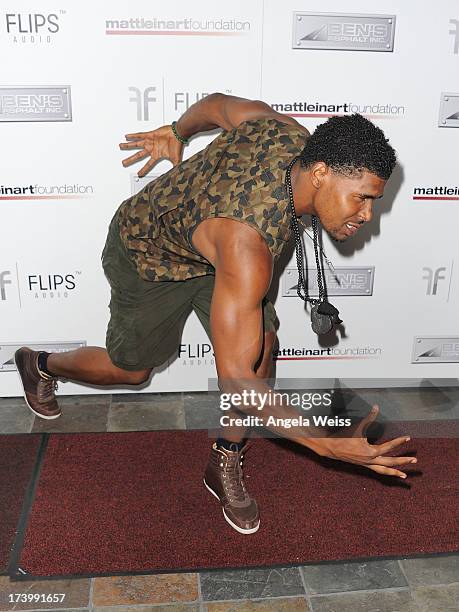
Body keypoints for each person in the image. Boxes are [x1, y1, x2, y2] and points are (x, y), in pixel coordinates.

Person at [15, 93, 416, 535]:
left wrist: (176, 132)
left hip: (214, 250)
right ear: (320, 174)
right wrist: (328, 445)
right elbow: (237, 385)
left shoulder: (290, 135)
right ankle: (39, 365)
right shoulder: (248, 247)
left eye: (373, 201)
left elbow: (219, 105)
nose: (368, 214)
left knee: (262, 350)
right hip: (149, 254)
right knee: (131, 370)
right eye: (361, 198)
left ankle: (223, 460)